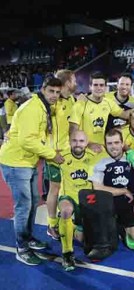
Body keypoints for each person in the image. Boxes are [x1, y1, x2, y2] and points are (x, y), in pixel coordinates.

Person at [0, 76, 65, 265]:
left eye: (57, 92)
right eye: (51, 91)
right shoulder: (32, 108)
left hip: (27, 162)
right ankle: (22, 247)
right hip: (15, 162)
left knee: (34, 201)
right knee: (23, 206)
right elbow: (27, 140)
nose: (54, 95)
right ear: (43, 89)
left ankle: (27, 237)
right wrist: (51, 154)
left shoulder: (43, 106)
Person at [89, 129, 134, 252]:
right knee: (102, 241)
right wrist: (123, 191)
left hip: (130, 203)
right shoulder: (99, 161)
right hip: (109, 203)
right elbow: (98, 188)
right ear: (105, 145)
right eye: (110, 143)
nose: (113, 147)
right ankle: (119, 227)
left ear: (122, 143)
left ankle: (129, 227)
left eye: (116, 143)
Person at [45, 69, 77, 240]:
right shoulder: (51, 103)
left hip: (69, 154)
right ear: (66, 83)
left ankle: (66, 218)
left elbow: (72, 125)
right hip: (54, 154)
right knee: (55, 189)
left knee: (69, 188)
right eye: (74, 80)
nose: (76, 83)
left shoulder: (71, 99)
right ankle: (51, 225)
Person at [56, 130, 95, 271]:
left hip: (86, 200)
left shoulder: (94, 157)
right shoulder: (61, 157)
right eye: (74, 141)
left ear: (86, 143)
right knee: (66, 211)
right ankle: (67, 253)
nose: (78, 144)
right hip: (68, 197)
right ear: (70, 141)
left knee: (83, 239)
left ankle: (76, 227)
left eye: (81, 141)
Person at [69, 72, 134, 153]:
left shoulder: (108, 103)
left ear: (106, 88)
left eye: (101, 85)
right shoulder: (80, 104)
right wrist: (87, 144)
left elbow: (124, 115)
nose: (98, 88)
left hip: (102, 149)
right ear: (90, 87)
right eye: (95, 85)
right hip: (84, 149)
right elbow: (73, 130)